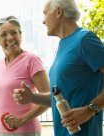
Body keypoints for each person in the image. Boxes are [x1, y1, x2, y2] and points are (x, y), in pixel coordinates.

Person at [13, 0, 104, 136]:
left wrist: (89, 110)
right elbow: (61, 99)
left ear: (58, 11)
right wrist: (32, 97)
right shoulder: (62, 46)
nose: (43, 21)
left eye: (45, 14)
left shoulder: (85, 40)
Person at [0, 16, 50, 136]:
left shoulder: (31, 60)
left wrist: (21, 120)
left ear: (20, 35)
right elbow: (3, 104)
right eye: (3, 35)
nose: (10, 38)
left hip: (25, 131)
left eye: (14, 33)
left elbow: (48, 98)